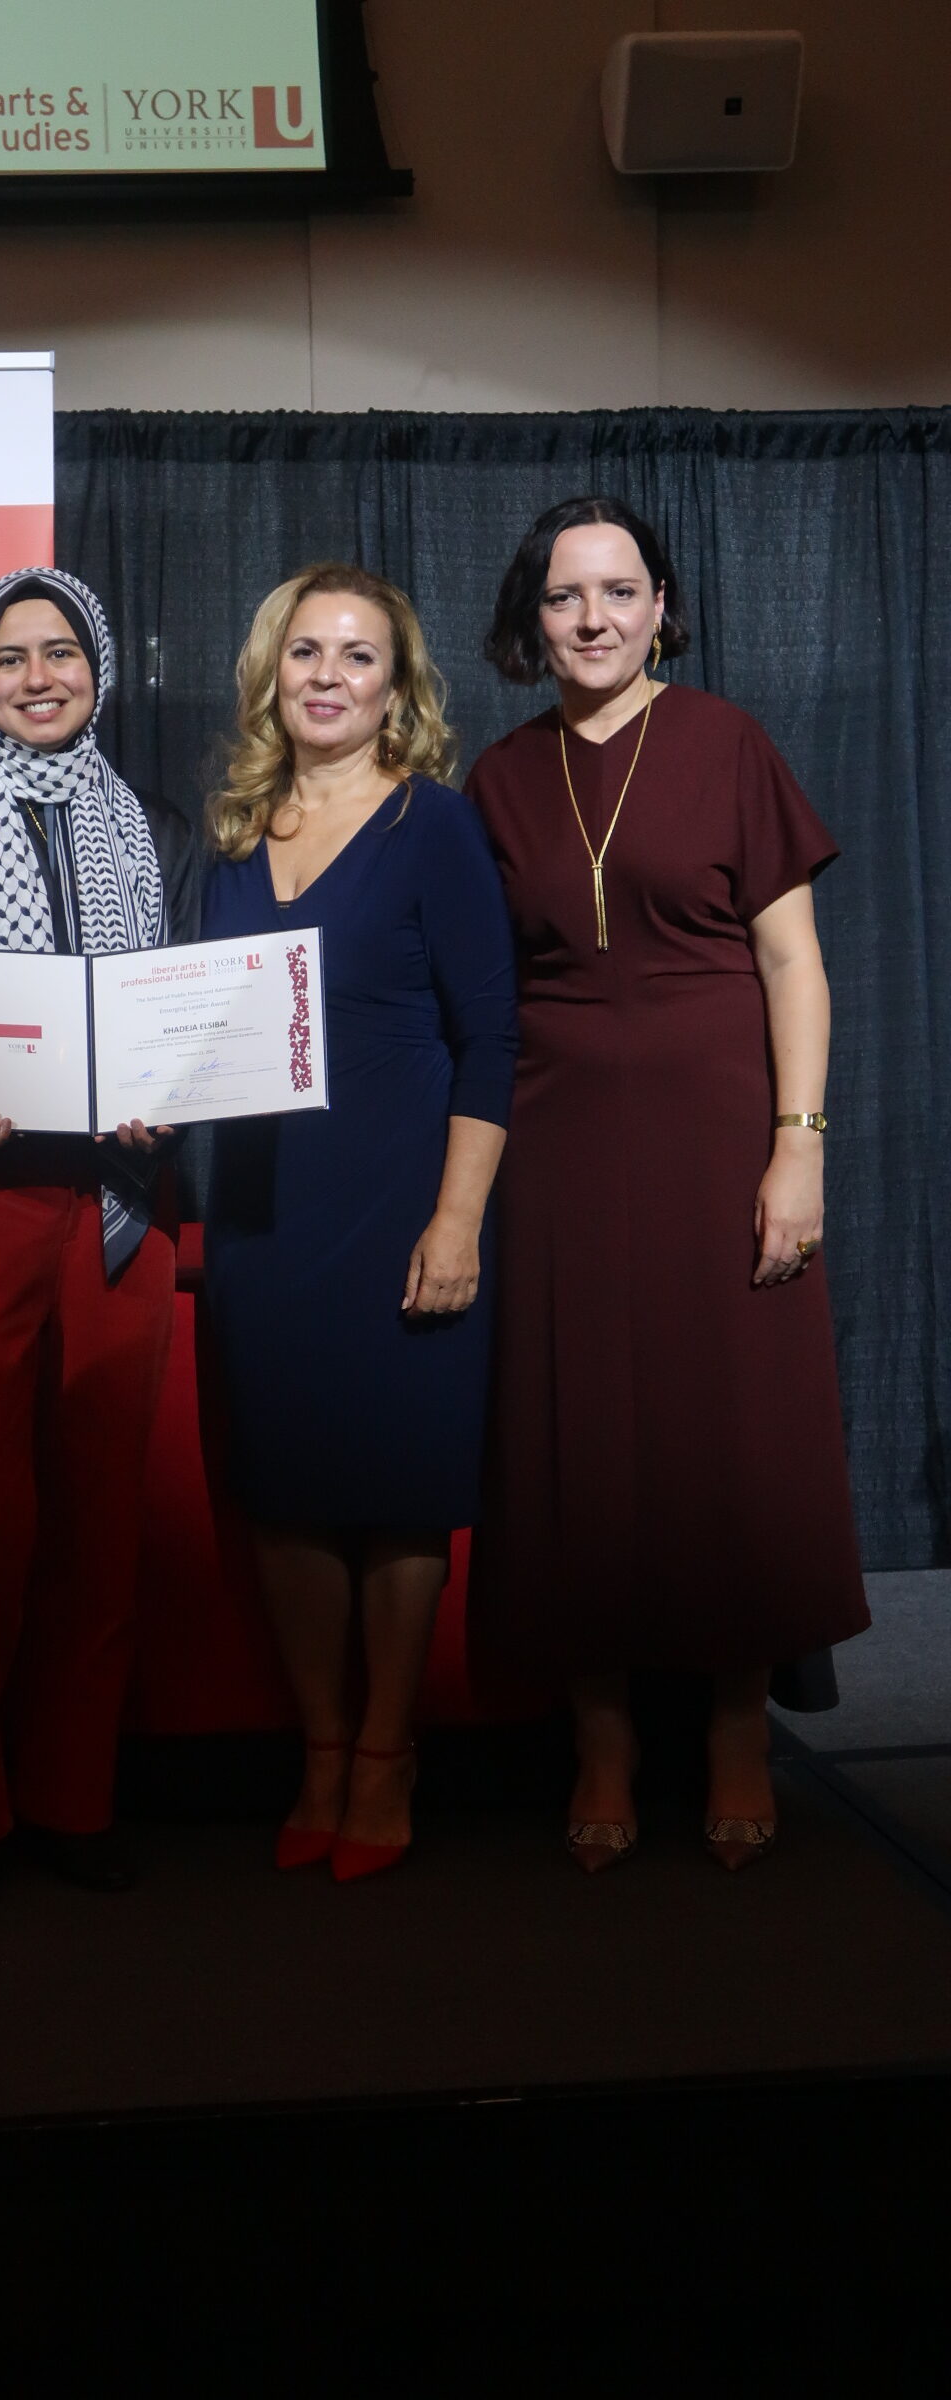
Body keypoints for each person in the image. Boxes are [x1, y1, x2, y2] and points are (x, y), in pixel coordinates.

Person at [466, 494, 870, 1872]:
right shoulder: (500, 776)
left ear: (662, 609)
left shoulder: (725, 745)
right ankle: (601, 1737)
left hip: (718, 1139)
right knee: (576, 1438)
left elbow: (792, 965)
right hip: (556, 1150)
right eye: (567, 596)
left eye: (620, 592)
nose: (593, 618)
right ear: (533, 619)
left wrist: (798, 1141)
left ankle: (741, 1729)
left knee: (729, 1437)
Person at [0, 566, 200, 1916]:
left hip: (122, 1208)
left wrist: (165, 1103)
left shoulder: (167, 831)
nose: (37, 676)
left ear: (101, 663)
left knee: (100, 1516)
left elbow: (194, 1013)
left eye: (60, 650)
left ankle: (73, 1797)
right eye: (9, 657)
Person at [201, 563, 517, 1880]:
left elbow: (492, 1036)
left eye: (360, 657)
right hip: (265, 1222)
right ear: (273, 672)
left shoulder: (430, 827)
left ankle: (388, 1752)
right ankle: (319, 1749)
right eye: (308, 652)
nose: (329, 676)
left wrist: (458, 1223)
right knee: (284, 1503)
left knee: (396, 1506)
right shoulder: (227, 833)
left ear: (399, 688)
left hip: (401, 1206)